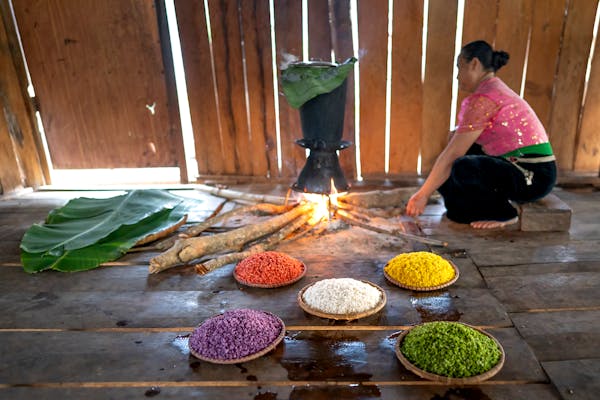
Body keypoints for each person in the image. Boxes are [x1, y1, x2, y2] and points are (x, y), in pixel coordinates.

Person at [405, 40, 557, 229]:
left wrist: (423, 195)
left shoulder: (486, 98)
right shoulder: (491, 91)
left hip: (534, 176)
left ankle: (505, 214)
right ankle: (464, 210)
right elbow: (455, 141)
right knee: (455, 203)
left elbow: (453, 154)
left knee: (461, 164)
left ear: (474, 64)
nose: (458, 76)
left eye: (460, 68)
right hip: (516, 167)